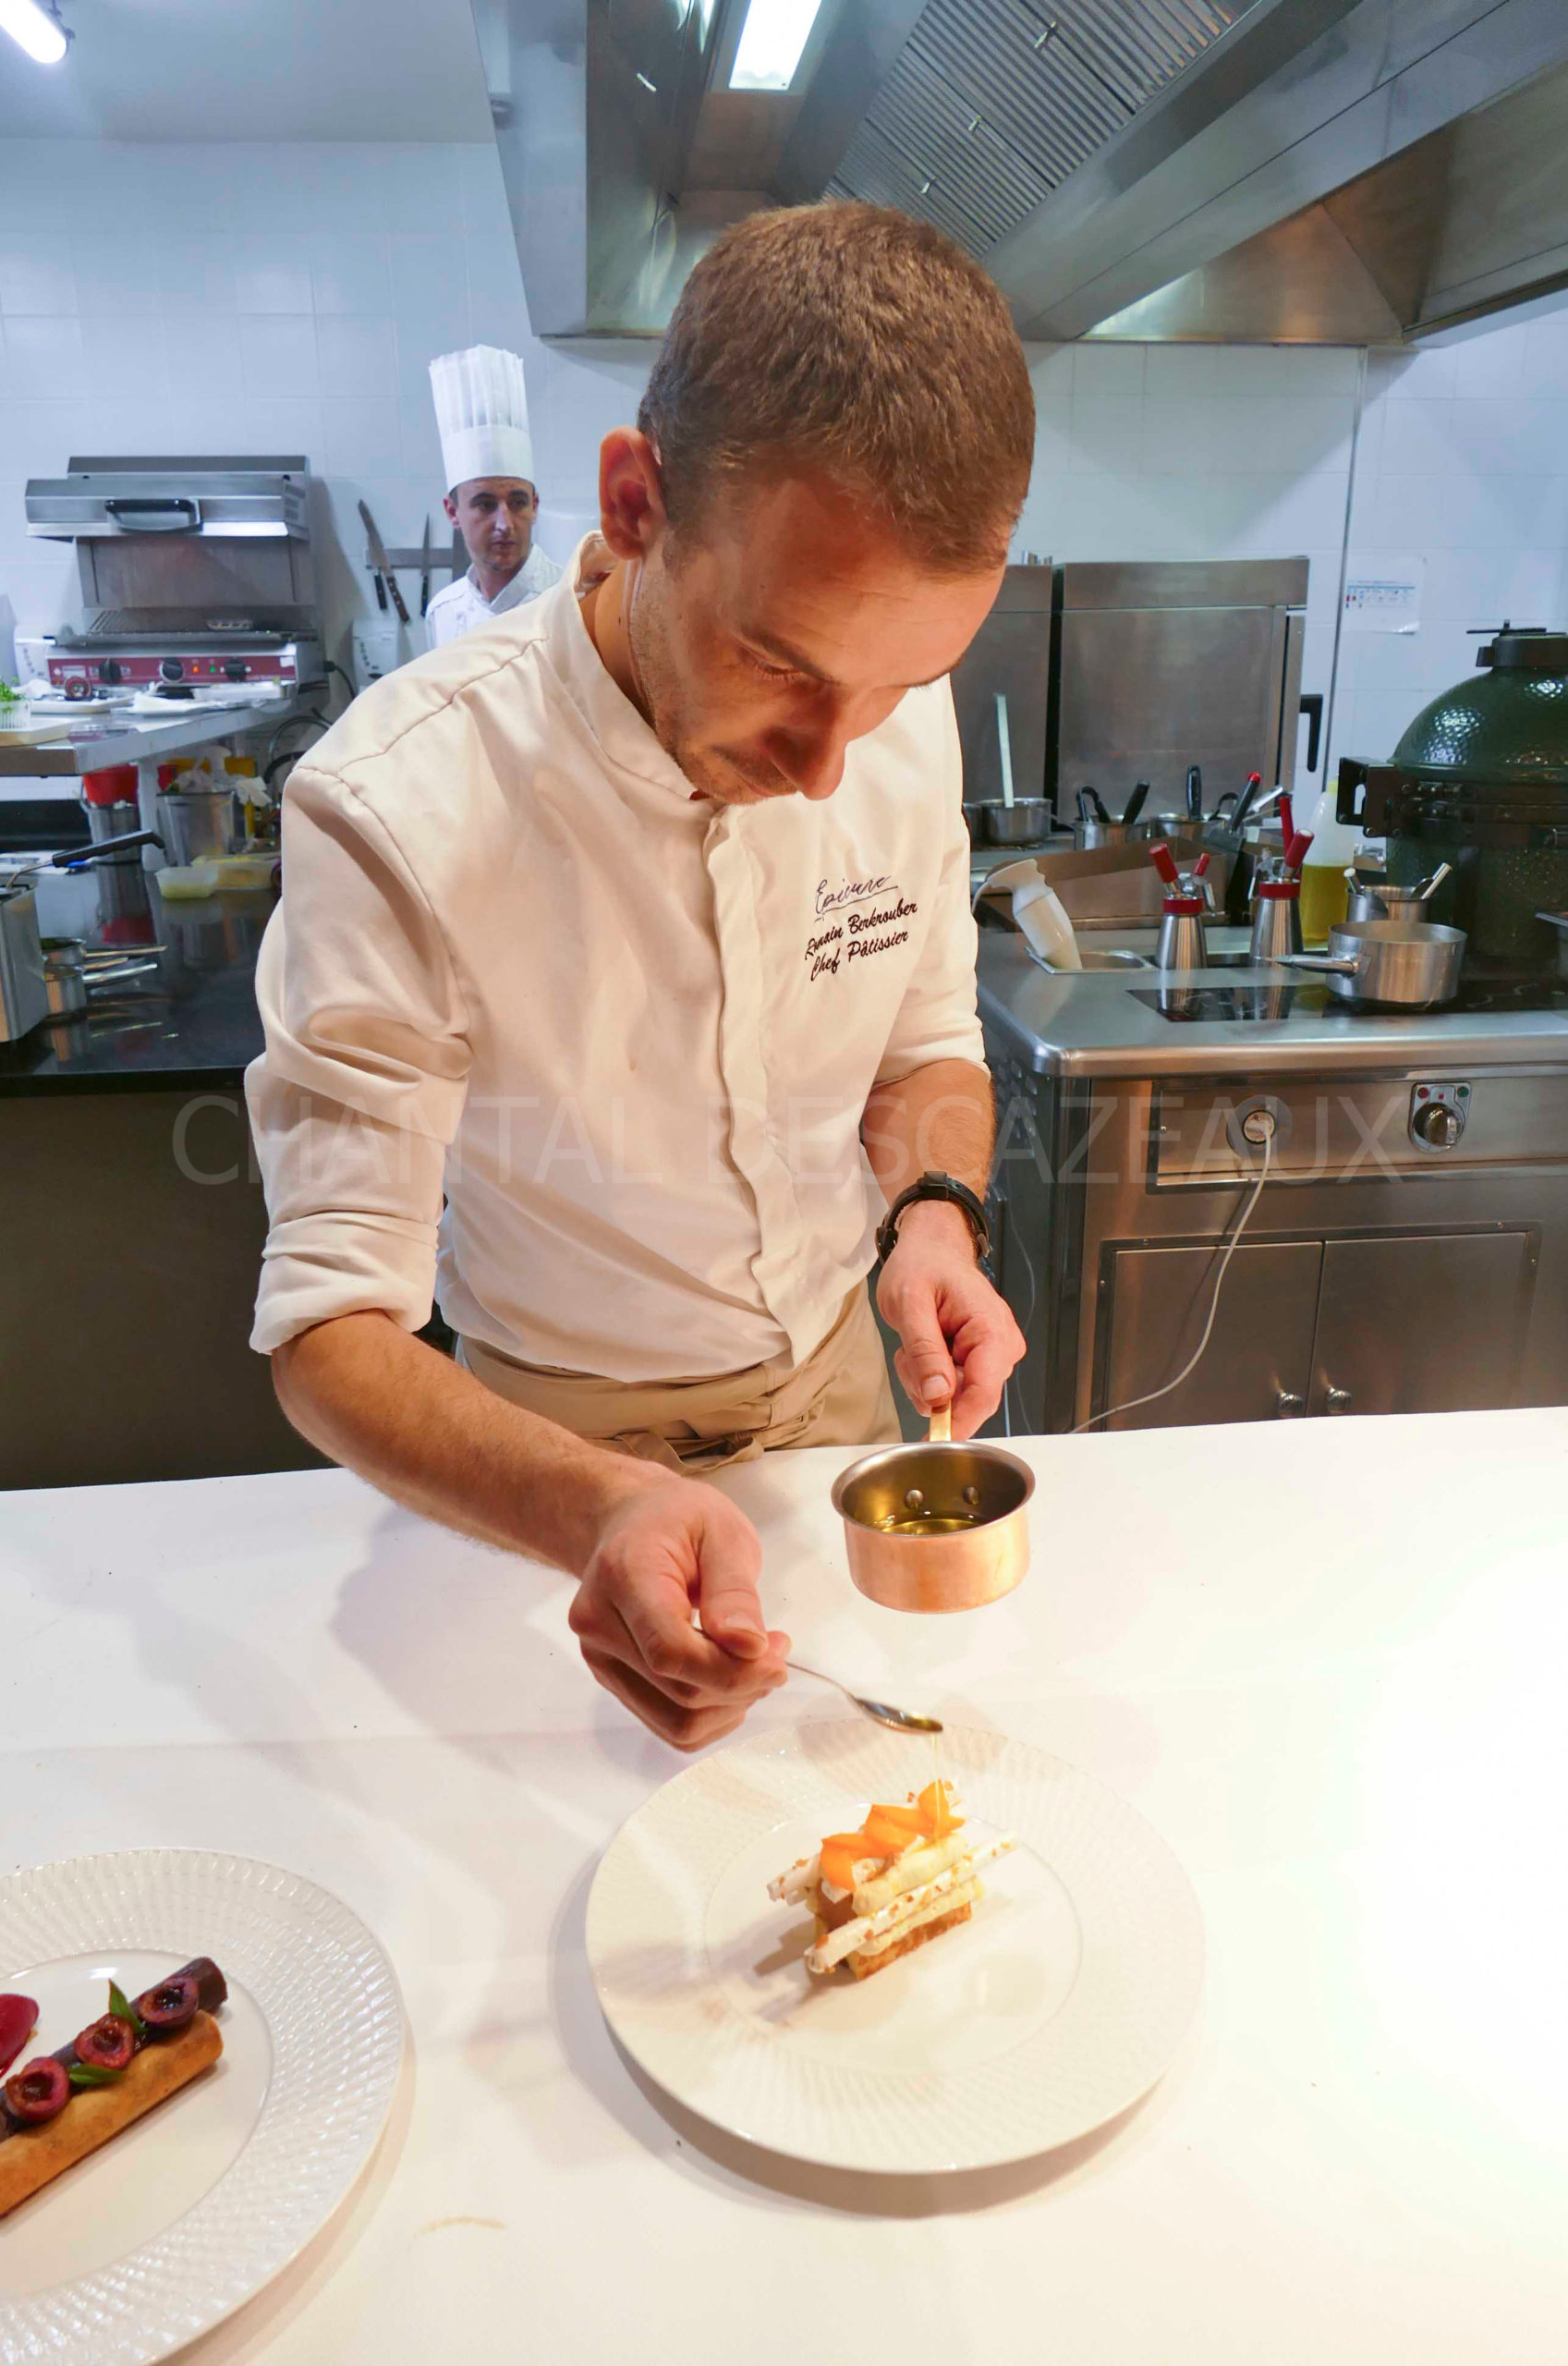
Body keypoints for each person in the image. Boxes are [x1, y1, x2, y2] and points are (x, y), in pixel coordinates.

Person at [249, 202, 1033, 1751]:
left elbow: (925, 1045)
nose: (830, 769)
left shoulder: (883, 720)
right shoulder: (395, 804)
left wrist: (933, 1217)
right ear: (632, 502)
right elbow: (331, 1329)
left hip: (835, 1417)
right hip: (547, 1454)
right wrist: (599, 1501)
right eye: (788, 669)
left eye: (899, 688)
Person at [424, 344, 562, 645]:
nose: (505, 524)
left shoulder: (571, 602)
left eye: (518, 503)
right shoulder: (443, 614)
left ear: (535, 506)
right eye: (485, 505)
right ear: (452, 512)